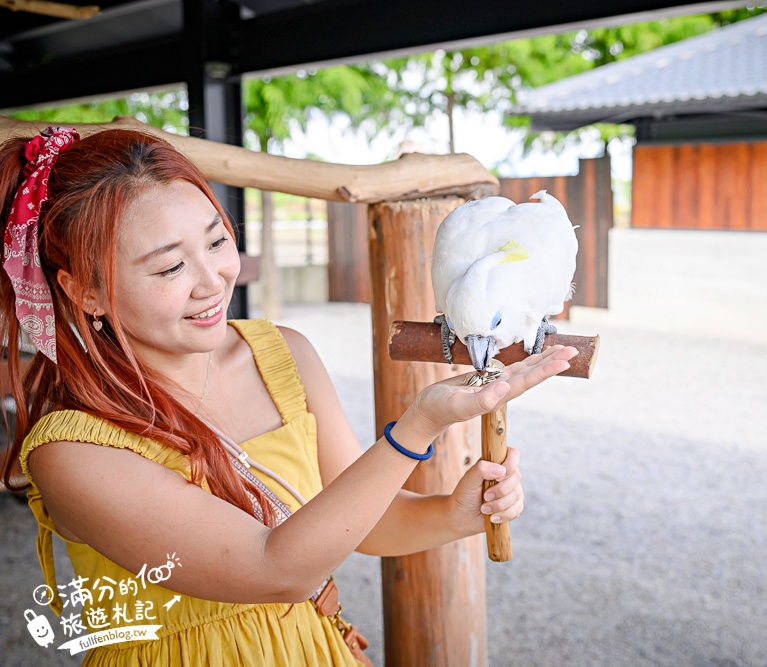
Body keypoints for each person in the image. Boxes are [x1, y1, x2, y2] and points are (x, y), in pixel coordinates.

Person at [0, 126, 578, 665]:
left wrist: (453, 513)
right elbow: (279, 569)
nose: (213, 280)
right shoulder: (72, 450)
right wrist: (419, 426)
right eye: (170, 266)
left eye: (216, 240)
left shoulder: (284, 355)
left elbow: (360, 521)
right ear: (85, 291)